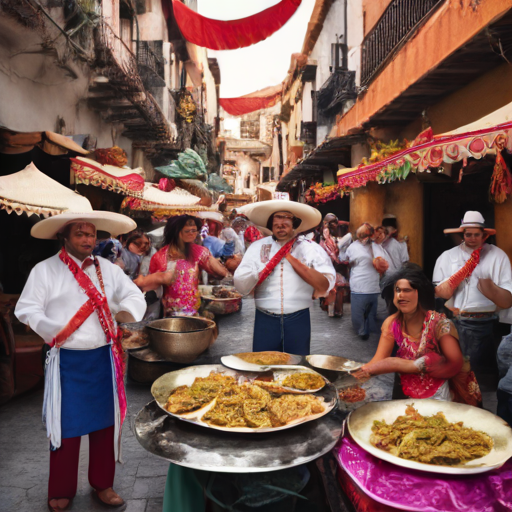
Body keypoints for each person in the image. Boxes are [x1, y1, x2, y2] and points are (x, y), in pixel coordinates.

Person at [14, 211, 146, 512]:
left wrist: (125, 313)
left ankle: (103, 483)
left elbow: (133, 294)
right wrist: (55, 332)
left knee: (105, 425)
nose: (88, 240)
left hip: (104, 359)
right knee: (66, 427)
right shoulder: (45, 270)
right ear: (65, 236)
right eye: (80, 234)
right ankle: (60, 489)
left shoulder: (109, 270)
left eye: (92, 234)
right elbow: (27, 309)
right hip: (67, 362)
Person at [353, 264, 481, 405]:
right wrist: (356, 374)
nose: (401, 295)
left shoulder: (440, 324)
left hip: (441, 394)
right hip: (408, 391)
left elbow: (455, 363)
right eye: (398, 290)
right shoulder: (391, 323)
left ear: (419, 294)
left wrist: (413, 365)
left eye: (407, 290)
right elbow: (378, 361)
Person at [234, 200, 335, 355]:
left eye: (285, 218)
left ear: (294, 223)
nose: (280, 224)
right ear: (271, 224)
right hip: (265, 318)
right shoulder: (257, 248)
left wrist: (289, 257)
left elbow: (325, 285)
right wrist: (259, 271)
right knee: (263, 367)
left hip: (298, 319)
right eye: (277, 219)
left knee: (296, 369)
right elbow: (240, 283)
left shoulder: (310, 248)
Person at [433, 211, 512, 378]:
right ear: (463, 234)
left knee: (484, 373)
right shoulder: (447, 257)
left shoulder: (498, 256)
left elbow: (508, 296)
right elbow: (438, 293)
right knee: (459, 371)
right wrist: (461, 274)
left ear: (484, 235)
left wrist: (490, 288)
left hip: (490, 323)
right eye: (468, 234)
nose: (473, 238)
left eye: (477, 235)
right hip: (457, 321)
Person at [134, 215, 228, 317]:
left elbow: (221, 274)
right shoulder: (160, 257)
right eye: (187, 231)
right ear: (176, 232)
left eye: (194, 230)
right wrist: (158, 278)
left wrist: (207, 255)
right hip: (170, 314)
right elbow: (152, 290)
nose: (192, 234)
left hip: (194, 314)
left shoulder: (199, 252)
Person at [345, 223, 389, 340]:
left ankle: (369, 330)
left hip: (372, 286)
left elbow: (383, 264)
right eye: (363, 236)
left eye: (368, 236)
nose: (366, 239)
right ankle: (362, 331)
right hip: (358, 286)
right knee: (359, 313)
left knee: (370, 312)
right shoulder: (353, 247)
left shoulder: (376, 247)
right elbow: (345, 260)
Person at [319, 213, 349, 318]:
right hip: (328, 266)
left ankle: (336, 309)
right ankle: (331, 308)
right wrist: (338, 259)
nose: (335, 225)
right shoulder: (325, 236)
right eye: (333, 223)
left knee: (338, 288)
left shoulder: (334, 235)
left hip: (335, 266)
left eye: (335, 223)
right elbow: (329, 252)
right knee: (334, 288)